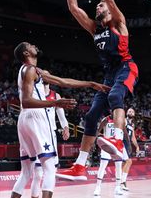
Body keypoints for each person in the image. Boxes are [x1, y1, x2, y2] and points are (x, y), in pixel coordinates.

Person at [57, 0, 139, 181]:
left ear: (110, 10)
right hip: (109, 74)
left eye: (100, 5)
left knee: (114, 96)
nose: (98, 6)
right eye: (98, 5)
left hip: (126, 67)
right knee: (91, 115)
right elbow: (74, 8)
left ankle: (118, 141)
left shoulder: (118, 23)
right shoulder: (95, 29)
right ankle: (80, 166)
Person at [10, 42, 108, 198]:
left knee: (26, 172)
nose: (34, 45)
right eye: (29, 45)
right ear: (26, 54)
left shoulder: (32, 71)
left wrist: (91, 84)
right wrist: (55, 102)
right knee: (49, 168)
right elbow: (26, 101)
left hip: (24, 120)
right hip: (35, 116)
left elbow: (63, 81)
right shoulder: (29, 70)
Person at [30, 72, 71, 198]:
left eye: (48, 75)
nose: (46, 76)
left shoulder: (56, 95)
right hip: (37, 133)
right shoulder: (34, 93)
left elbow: (61, 115)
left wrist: (66, 127)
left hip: (50, 134)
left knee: (51, 170)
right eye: (43, 75)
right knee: (37, 173)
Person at [93, 113, 129, 196]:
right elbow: (98, 131)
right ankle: (98, 187)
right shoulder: (106, 120)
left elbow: (125, 132)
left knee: (119, 167)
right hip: (107, 144)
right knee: (102, 166)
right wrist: (94, 142)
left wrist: (129, 145)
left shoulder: (122, 120)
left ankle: (117, 187)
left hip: (118, 145)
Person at [121, 108, 140, 191]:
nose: (130, 112)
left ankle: (120, 181)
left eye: (132, 111)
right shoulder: (124, 120)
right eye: (129, 111)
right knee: (129, 161)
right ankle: (122, 182)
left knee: (123, 163)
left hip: (127, 143)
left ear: (134, 114)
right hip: (121, 142)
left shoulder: (132, 125)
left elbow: (133, 137)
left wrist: (137, 146)